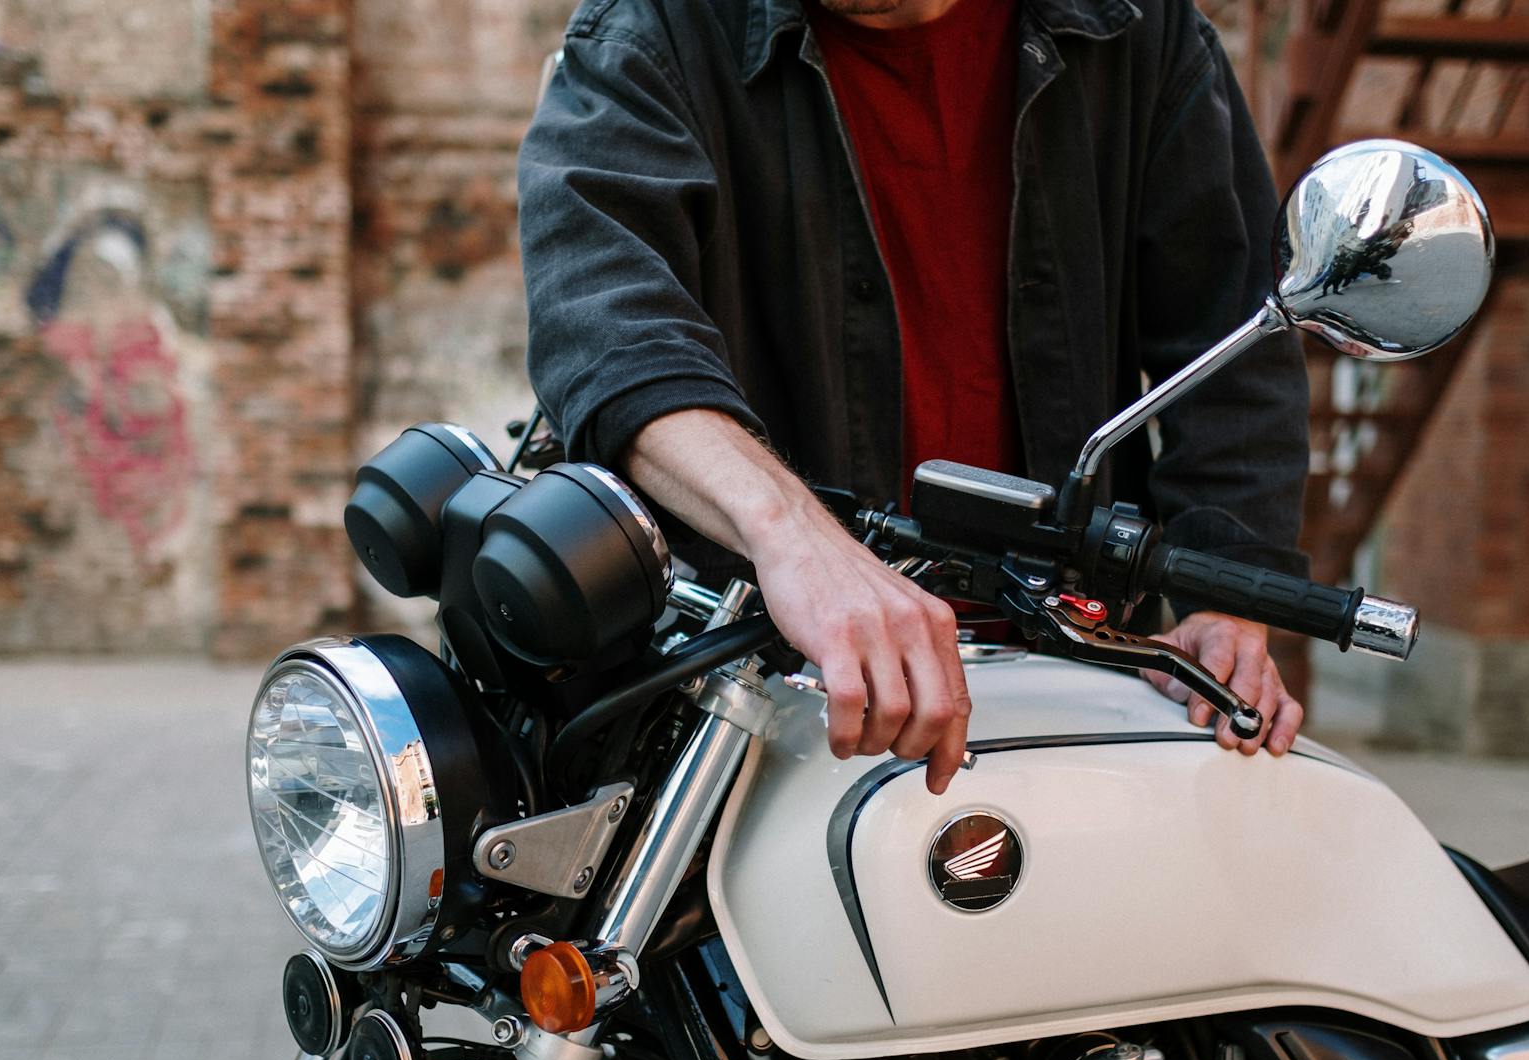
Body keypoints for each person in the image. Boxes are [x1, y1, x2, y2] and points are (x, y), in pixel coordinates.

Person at [519, 0, 1310, 795]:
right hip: (755, 701)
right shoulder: (656, 27)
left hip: (1070, 687)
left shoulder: (1134, 22)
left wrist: (1223, 596)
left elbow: (1234, 337)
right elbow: (603, 329)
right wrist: (797, 539)